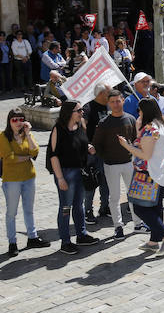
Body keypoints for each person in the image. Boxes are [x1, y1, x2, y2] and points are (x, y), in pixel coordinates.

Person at [117, 99, 164, 253]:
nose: (139, 113)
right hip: (159, 170)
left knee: (140, 208)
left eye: (140, 110)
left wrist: (127, 146)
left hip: (148, 173)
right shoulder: (162, 125)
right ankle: (153, 241)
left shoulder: (151, 129)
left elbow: (145, 155)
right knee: (156, 209)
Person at [47, 101, 99, 255]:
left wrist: (88, 147)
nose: (82, 112)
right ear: (69, 112)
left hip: (80, 171)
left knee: (79, 205)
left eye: (82, 109)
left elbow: (82, 143)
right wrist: (60, 178)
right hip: (65, 173)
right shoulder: (58, 129)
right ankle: (65, 241)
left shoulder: (81, 124)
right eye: (79, 110)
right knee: (65, 207)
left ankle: (81, 235)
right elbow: (53, 155)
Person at [0, 108, 49, 256]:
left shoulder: (26, 135)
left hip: (29, 177)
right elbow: (9, 158)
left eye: (21, 119)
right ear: (9, 121)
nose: (18, 123)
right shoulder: (2, 137)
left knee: (29, 209)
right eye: (15, 120)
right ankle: (12, 242)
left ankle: (32, 237)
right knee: (11, 212)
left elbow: (35, 151)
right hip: (12, 180)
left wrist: (28, 134)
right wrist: (26, 157)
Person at [92, 89, 140, 239]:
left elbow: (135, 140)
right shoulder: (104, 123)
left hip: (129, 163)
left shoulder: (131, 119)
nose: (115, 104)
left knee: (133, 195)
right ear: (108, 103)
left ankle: (138, 223)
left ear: (123, 101)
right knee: (114, 197)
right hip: (111, 165)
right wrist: (99, 153)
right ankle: (118, 226)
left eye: (118, 101)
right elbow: (97, 144)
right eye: (112, 102)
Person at [83, 84, 111, 224]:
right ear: (100, 94)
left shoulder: (108, 107)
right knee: (92, 183)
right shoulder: (88, 108)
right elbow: (82, 127)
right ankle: (87, 211)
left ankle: (104, 207)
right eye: (108, 93)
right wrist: (87, 144)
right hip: (93, 153)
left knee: (106, 182)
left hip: (106, 151)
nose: (110, 95)